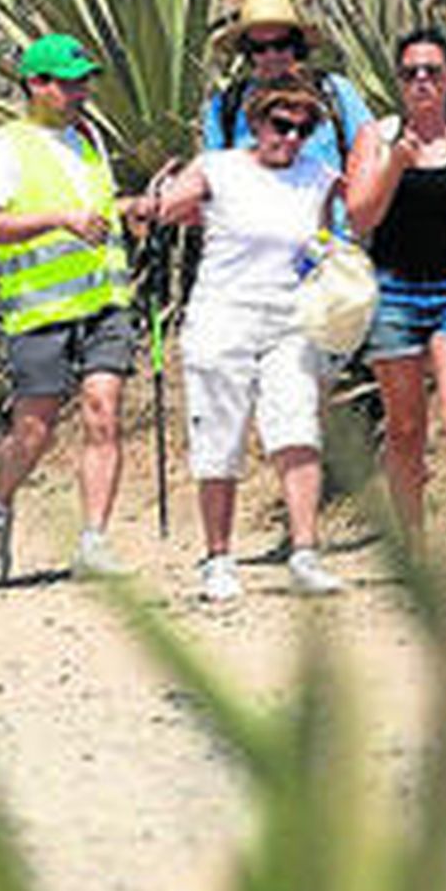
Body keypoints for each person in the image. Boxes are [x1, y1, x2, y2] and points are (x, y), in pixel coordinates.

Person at [0, 33, 159, 585]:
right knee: (34, 431)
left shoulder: (89, 139)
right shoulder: (6, 145)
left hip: (105, 302)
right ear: (37, 84)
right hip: (41, 312)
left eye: (84, 81)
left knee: (104, 411)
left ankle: (94, 541)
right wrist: (59, 219)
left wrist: (129, 211)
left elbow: (95, 212)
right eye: (70, 82)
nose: (82, 92)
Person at [157, 74, 347, 601]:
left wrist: (326, 260)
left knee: (297, 429)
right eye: (281, 126)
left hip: (290, 319)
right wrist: (163, 198)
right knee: (220, 437)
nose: (291, 138)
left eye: (303, 128)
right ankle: (218, 558)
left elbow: (333, 226)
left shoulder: (317, 175)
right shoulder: (219, 168)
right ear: (256, 123)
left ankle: (305, 551)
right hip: (224, 316)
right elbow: (170, 208)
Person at [343, 28, 446, 582]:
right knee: (407, 427)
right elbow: (360, 217)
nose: (422, 81)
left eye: (432, 71)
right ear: (397, 80)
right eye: (411, 72)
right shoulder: (376, 138)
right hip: (394, 294)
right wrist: (396, 165)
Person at [202, 0, 380, 200]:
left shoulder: (335, 93)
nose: (272, 56)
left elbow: (368, 153)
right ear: (247, 53)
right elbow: (213, 177)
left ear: (297, 45)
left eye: (281, 44)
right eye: (259, 48)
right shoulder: (224, 108)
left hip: (327, 232)